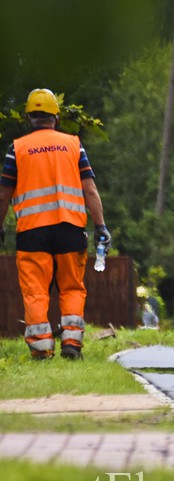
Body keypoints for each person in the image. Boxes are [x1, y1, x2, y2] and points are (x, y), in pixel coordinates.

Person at [0, 89, 110, 360]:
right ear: (56, 118)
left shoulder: (17, 148)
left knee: (36, 291)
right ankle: (71, 344)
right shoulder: (73, 144)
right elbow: (90, 189)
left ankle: (41, 350)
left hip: (32, 232)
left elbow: (3, 193)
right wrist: (101, 226)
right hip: (70, 229)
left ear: (29, 119)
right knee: (72, 287)